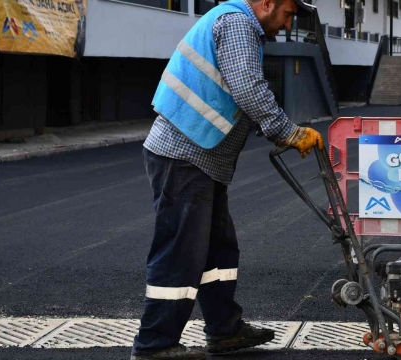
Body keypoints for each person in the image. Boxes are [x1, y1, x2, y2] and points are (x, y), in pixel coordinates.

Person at [130, 0, 323, 358]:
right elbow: (248, 88)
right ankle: (154, 345)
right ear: (267, 3)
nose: (287, 23)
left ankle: (224, 330)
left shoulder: (236, 23)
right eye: (288, 13)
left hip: (201, 157)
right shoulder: (237, 24)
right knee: (179, 253)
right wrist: (288, 132)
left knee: (219, 248)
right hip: (183, 155)